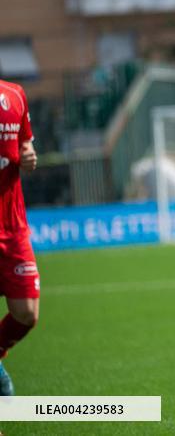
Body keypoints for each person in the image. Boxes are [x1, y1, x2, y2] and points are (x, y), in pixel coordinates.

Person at [0, 79, 40, 396]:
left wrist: (28, 156)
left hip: (12, 229)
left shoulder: (14, 95)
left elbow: (25, 145)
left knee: (26, 312)